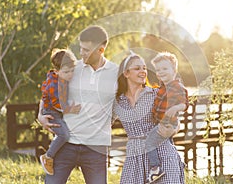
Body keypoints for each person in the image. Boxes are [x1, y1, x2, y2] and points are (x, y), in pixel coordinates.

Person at [38, 25, 118, 184]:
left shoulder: (116, 73)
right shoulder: (71, 68)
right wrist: (40, 114)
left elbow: (123, 102)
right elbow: (48, 90)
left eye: (86, 50)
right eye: (81, 48)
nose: (81, 53)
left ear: (101, 50)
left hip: (96, 149)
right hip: (66, 145)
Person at [113, 52, 186, 184]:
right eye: (137, 68)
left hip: (162, 153)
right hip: (134, 158)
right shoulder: (118, 102)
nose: (143, 71)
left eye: (144, 68)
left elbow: (176, 120)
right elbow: (102, 123)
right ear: (126, 73)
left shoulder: (156, 94)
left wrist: (173, 130)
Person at [145, 52, 189, 183]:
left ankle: (155, 168)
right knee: (168, 144)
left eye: (165, 69)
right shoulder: (162, 88)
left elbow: (185, 104)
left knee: (149, 143)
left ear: (174, 70)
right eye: (158, 70)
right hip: (163, 124)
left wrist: (175, 108)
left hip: (167, 124)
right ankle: (178, 163)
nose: (161, 72)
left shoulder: (177, 87)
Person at [39, 48, 81, 175]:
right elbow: (57, 104)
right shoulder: (54, 85)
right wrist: (70, 110)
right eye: (66, 72)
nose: (70, 74)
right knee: (64, 135)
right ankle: (48, 157)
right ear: (56, 71)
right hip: (52, 112)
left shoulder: (64, 78)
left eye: (72, 71)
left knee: (67, 132)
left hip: (59, 110)